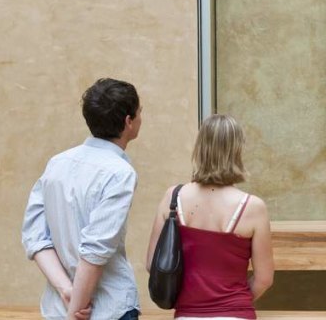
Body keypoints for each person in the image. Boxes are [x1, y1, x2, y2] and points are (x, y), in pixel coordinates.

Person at [22, 78, 143, 320]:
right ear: (128, 122)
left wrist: (66, 291)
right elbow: (95, 251)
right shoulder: (119, 173)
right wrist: (75, 310)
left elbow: (35, 237)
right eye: (140, 112)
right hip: (107, 309)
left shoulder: (57, 163)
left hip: (58, 306)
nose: (141, 118)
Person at [146, 114, 274, 320]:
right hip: (235, 314)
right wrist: (232, 301)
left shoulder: (173, 198)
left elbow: (153, 264)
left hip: (187, 314)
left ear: (200, 148)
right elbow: (264, 279)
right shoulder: (253, 207)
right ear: (237, 151)